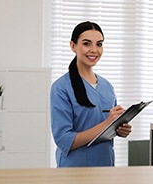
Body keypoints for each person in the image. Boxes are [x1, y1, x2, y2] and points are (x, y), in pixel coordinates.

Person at [50, 21, 132, 167]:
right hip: (75, 169)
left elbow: (107, 129)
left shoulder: (107, 87)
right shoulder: (61, 88)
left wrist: (119, 129)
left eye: (99, 44)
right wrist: (106, 124)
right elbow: (64, 139)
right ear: (73, 46)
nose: (94, 50)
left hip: (105, 166)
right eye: (87, 44)